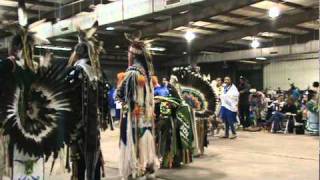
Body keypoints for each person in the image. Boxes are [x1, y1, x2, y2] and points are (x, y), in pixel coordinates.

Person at [117, 33, 159, 179]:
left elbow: (119, 95)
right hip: (145, 116)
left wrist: (124, 106)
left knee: (133, 139)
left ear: (132, 55)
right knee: (145, 138)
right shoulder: (147, 75)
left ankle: (135, 169)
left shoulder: (132, 72)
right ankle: (146, 166)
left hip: (134, 118)